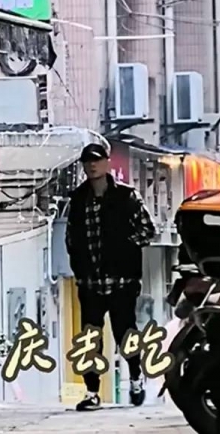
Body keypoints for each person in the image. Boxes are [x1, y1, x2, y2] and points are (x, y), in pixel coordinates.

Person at [66, 143, 156, 411]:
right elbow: (71, 238)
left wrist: (124, 248)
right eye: (87, 162)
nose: (92, 166)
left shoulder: (126, 196)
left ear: (107, 162)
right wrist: (79, 268)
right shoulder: (78, 199)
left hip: (122, 281)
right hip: (90, 282)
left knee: (125, 333)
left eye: (97, 160)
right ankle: (92, 392)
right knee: (89, 338)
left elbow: (148, 230)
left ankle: (136, 378)